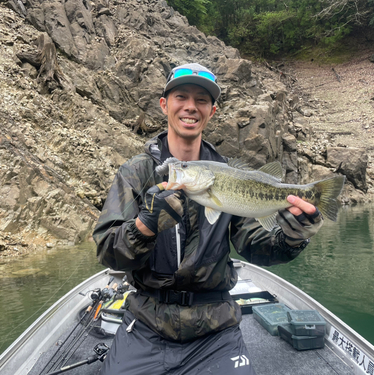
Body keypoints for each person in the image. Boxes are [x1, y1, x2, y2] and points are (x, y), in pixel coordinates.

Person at [93, 63, 324, 375]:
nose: (191, 107)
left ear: (212, 111)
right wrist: (144, 226)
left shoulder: (229, 175)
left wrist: (293, 236)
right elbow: (108, 252)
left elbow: (256, 247)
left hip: (216, 327)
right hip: (147, 323)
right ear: (165, 105)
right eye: (181, 97)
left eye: (201, 100)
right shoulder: (136, 172)